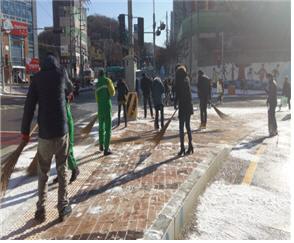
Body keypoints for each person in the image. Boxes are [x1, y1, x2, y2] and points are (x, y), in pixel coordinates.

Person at [21, 53, 72, 222]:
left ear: (42, 66)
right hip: (62, 131)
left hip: (45, 135)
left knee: (43, 173)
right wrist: (67, 95)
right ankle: (63, 206)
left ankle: (41, 209)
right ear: (56, 64)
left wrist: (25, 132)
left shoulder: (37, 79)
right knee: (62, 169)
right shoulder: (61, 73)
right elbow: (70, 88)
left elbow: (29, 106)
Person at [53, 68, 79, 184]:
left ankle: (74, 169)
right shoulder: (60, 90)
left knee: (67, 148)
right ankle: (60, 173)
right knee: (58, 150)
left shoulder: (63, 93)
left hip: (66, 122)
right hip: (59, 122)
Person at [174, 65, 193, 156]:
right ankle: (190, 146)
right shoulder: (187, 79)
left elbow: (177, 93)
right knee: (188, 127)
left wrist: (175, 103)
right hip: (189, 106)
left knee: (181, 128)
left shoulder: (179, 80)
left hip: (183, 106)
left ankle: (182, 148)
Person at [95, 70, 115, 156]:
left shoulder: (96, 84)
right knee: (108, 129)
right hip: (107, 107)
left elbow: (96, 98)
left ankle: (101, 145)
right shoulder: (107, 81)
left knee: (101, 127)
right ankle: (106, 149)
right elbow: (112, 93)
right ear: (104, 74)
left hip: (100, 108)